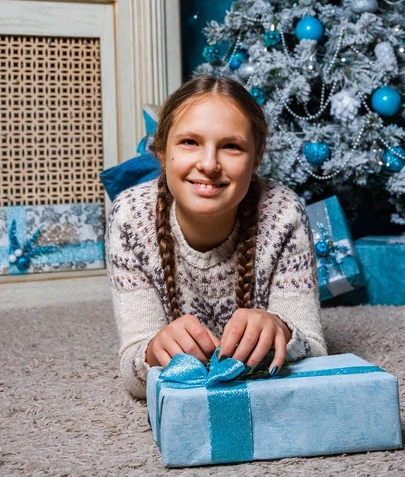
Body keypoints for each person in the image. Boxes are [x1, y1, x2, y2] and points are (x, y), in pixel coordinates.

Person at [106, 76, 327, 399]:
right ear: (161, 149)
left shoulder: (283, 213)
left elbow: (314, 350)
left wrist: (281, 329)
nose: (209, 164)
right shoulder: (130, 216)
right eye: (189, 142)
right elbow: (132, 370)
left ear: (257, 157)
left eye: (231, 146)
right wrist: (153, 350)